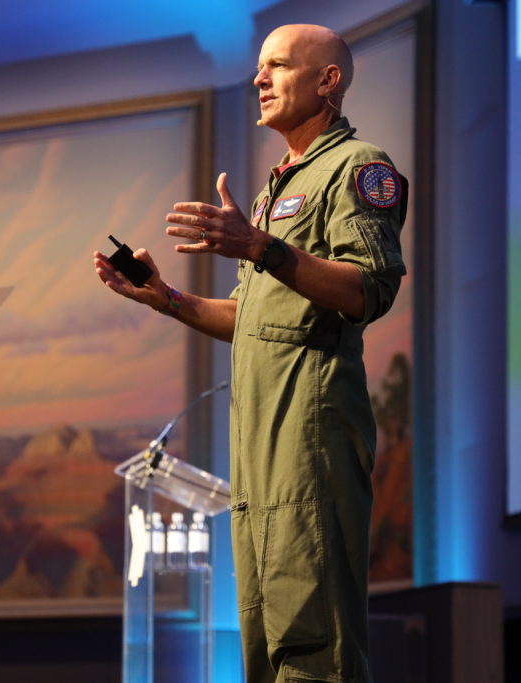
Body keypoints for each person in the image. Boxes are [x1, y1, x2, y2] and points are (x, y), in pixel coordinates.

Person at [94, 24, 406, 683]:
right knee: (264, 640)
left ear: (329, 81)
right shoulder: (270, 192)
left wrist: (261, 246)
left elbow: (368, 288)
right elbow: (255, 317)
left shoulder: (360, 167)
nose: (258, 79)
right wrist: (166, 298)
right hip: (257, 442)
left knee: (313, 643)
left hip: (311, 433)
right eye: (258, 67)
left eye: (278, 66)